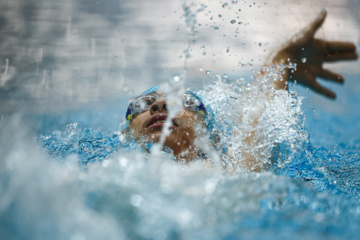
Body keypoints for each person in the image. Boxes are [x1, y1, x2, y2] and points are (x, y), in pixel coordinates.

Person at [121, 11, 358, 170]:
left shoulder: (222, 173)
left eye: (184, 102)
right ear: (128, 132)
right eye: (143, 103)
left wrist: (281, 61)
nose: (159, 105)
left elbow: (255, 142)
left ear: (211, 139)